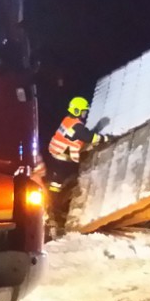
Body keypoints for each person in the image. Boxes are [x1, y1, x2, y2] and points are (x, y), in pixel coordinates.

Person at [46, 96, 105, 233]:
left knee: (57, 186)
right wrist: (105, 138)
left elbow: (79, 138)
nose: (85, 114)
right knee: (58, 187)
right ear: (77, 111)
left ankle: (54, 209)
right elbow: (90, 137)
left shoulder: (69, 120)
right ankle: (53, 212)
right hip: (61, 160)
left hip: (57, 157)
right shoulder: (76, 126)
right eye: (84, 111)